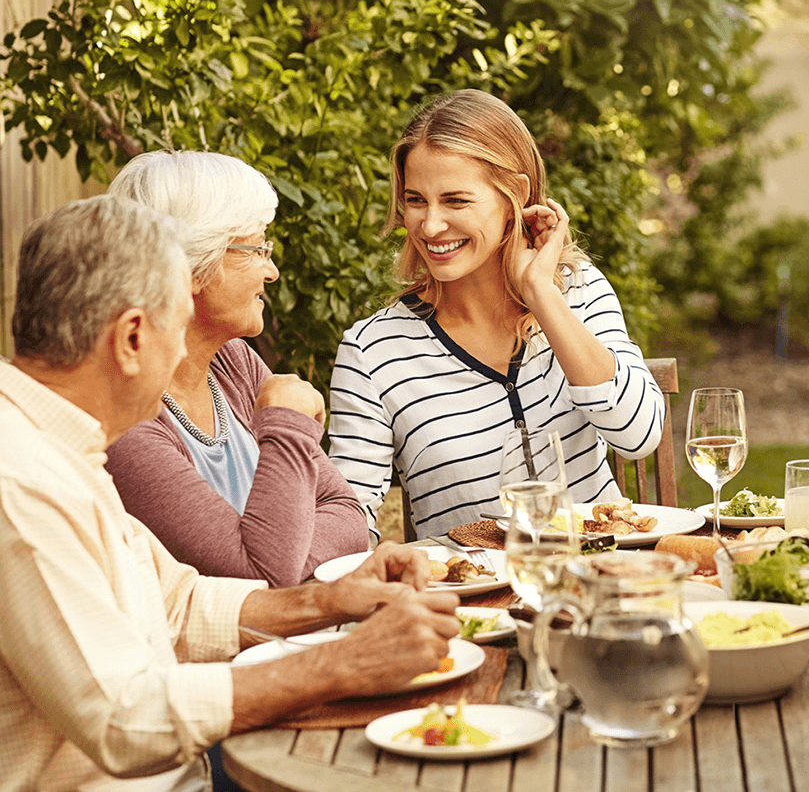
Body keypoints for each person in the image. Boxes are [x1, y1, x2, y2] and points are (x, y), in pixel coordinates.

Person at [0, 195, 459, 792]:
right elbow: (122, 718)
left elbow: (177, 605)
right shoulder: (21, 481)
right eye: (179, 326)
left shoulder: (57, 443)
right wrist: (344, 663)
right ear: (133, 338)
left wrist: (333, 601)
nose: (184, 356)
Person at [328, 89, 665, 538]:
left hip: (605, 579)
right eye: (415, 200)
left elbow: (639, 435)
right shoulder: (372, 352)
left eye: (455, 201)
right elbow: (348, 518)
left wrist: (541, 295)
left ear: (514, 196)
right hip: (475, 601)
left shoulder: (578, 292)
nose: (429, 226)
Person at [103, 150, 369, 586]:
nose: (272, 270)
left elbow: (348, 513)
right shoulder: (129, 422)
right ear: (190, 264)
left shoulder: (232, 362)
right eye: (256, 249)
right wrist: (287, 425)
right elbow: (259, 577)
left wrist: (284, 561)